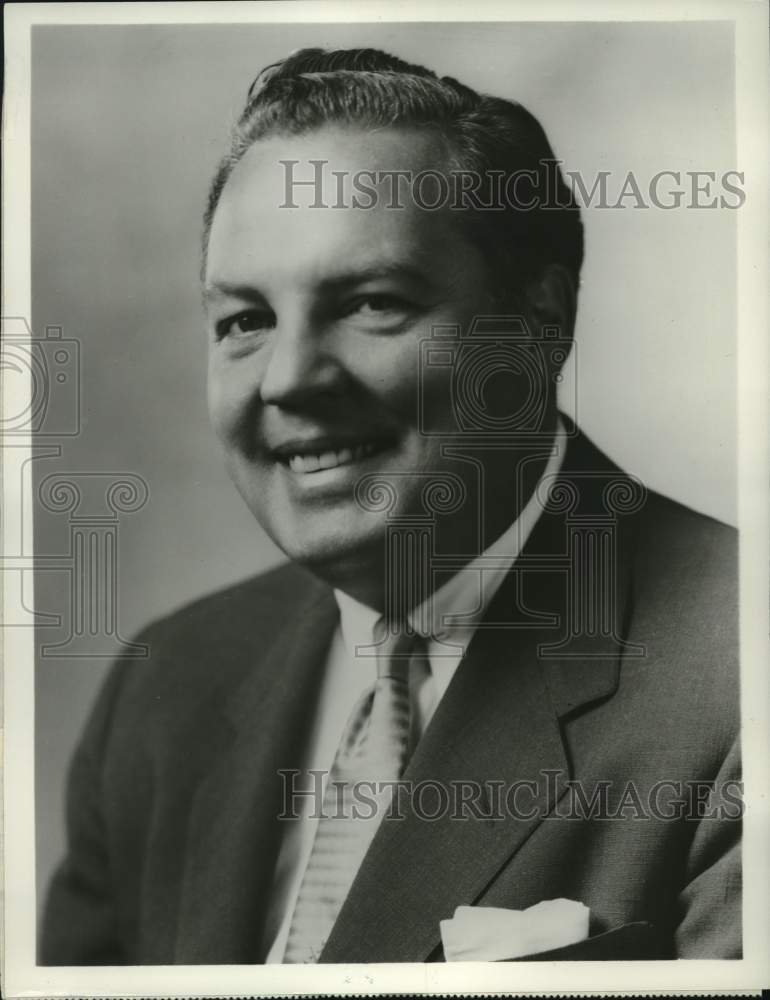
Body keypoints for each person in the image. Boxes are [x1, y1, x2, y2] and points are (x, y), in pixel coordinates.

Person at [41, 47, 740, 965]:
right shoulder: (164, 687)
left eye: (371, 303)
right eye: (246, 321)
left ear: (541, 322)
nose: (289, 379)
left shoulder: (739, 677)